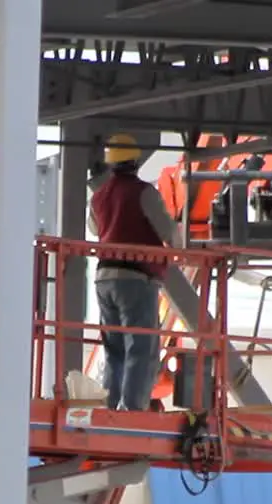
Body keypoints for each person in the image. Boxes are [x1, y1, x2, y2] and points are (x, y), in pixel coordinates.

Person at [87, 133, 180, 411]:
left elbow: (95, 230)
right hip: (136, 277)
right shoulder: (144, 193)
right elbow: (170, 233)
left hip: (104, 278)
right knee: (141, 348)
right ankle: (133, 410)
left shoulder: (99, 197)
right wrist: (180, 248)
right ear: (136, 161)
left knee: (114, 348)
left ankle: (110, 406)